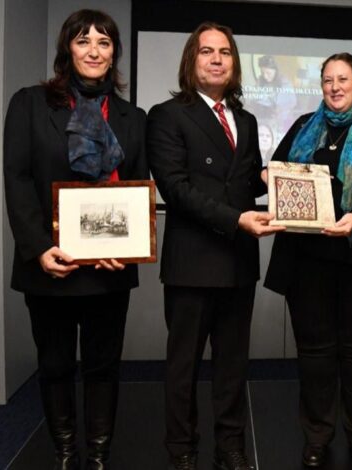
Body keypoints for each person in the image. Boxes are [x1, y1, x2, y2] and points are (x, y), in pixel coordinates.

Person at [3, 9, 148, 470]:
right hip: (51, 264)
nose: (94, 51)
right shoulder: (29, 103)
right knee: (56, 364)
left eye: (104, 43)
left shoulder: (132, 116)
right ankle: (66, 453)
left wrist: (122, 250)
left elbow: (137, 186)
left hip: (109, 270)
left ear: (114, 54)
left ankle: (99, 455)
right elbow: (18, 178)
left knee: (104, 366)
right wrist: (39, 247)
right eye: (84, 41)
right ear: (68, 48)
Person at [146, 22, 283, 470]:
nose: (217, 59)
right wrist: (236, 219)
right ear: (192, 60)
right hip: (191, 263)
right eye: (207, 51)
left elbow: (242, 181)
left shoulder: (245, 119)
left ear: (234, 63)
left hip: (238, 263)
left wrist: (277, 183)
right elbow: (176, 188)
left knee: (232, 366)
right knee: (183, 368)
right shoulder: (166, 115)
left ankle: (231, 448)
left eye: (225, 52)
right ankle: (182, 451)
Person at [264, 52, 352, 469]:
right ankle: (317, 437)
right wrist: (269, 177)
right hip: (307, 263)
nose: (335, 87)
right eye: (327, 80)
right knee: (315, 356)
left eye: (343, 79)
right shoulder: (303, 127)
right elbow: (276, 169)